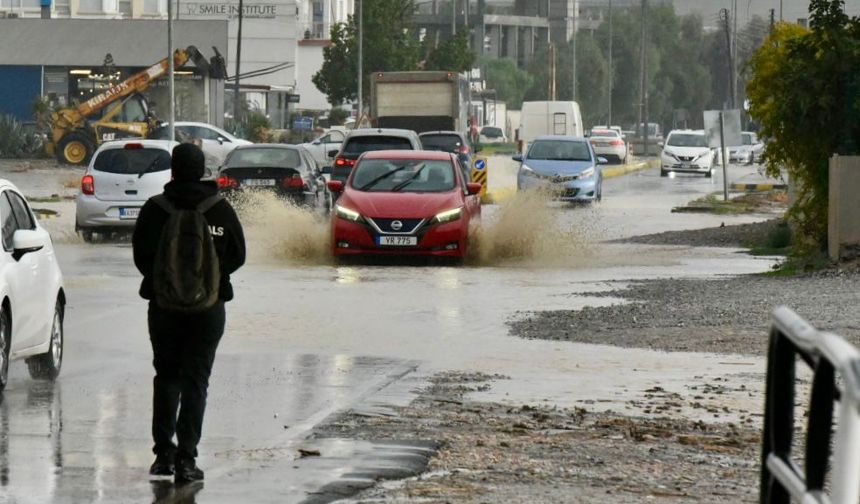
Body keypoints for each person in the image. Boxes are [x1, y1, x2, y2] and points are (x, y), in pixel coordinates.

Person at [132, 143, 246, 483]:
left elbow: (141, 256)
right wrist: (211, 277)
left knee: (166, 376)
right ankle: (187, 459)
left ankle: (162, 456)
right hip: (209, 310)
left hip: (163, 309)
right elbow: (238, 256)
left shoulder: (155, 209)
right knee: (196, 382)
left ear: (172, 171)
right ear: (203, 171)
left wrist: (163, 281)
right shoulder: (220, 210)